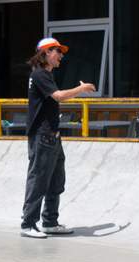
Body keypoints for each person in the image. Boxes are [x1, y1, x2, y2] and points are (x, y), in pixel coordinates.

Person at [21, 38, 96, 239]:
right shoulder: (39, 74)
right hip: (42, 136)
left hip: (52, 136)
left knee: (56, 181)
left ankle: (50, 222)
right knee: (39, 181)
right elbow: (59, 96)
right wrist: (81, 89)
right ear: (45, 53)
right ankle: (28, 224)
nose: (61, 55)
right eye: (57, 51)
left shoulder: (46, 75)